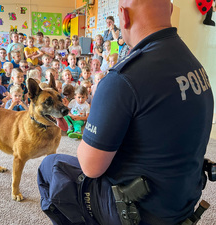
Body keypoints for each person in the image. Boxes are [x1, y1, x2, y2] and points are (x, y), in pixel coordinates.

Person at [37, 0, 214, 225]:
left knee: (50, 167)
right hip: (183, 203)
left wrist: (94, 131)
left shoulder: (123, 78)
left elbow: (90, 167)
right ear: (169, 10)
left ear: (123, 15)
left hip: (139, 212)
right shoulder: (194, 65)